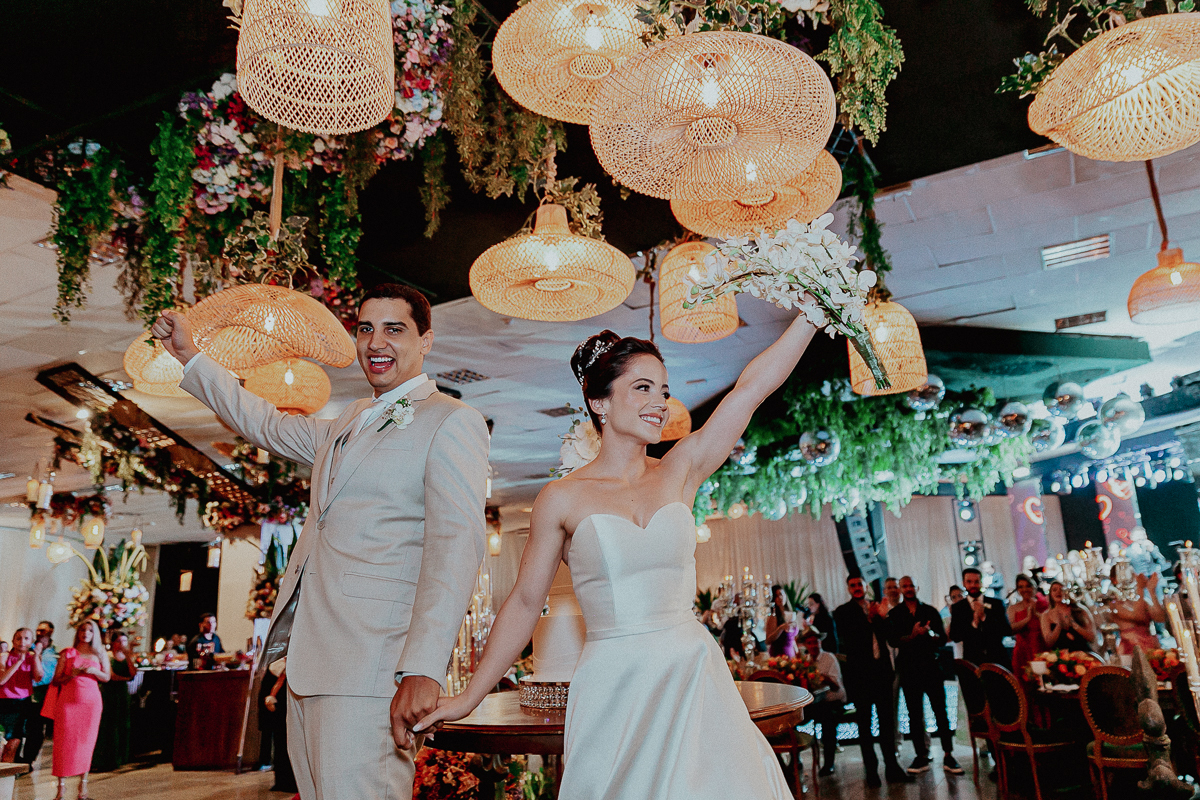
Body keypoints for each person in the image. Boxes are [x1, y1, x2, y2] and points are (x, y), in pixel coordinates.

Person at [413, 318, 823, 800]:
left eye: (664, 390)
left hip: (692, 673)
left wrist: (813, 314)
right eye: (643, 387)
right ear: (600, 401)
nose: (660, 402)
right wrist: (467, 697)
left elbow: (751, 389)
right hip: (614, 684)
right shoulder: (561, 499)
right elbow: (524, 603)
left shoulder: (681, 468)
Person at [153, 283, 489, 800]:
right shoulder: (348, 421)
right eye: (365, 329)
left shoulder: (450, 421)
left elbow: (455, 549)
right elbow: (262, 421)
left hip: (374, 668)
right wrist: (190, 357)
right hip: (310, 666)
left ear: (427, 341)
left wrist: (423, 669)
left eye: (394, 329)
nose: (376, 341)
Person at [833, 575, 913, 787]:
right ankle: (871, 770)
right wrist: (868, 620)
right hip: (860, 677)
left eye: (860, 584)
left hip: (882, 674)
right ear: (848, 588)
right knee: (865, 726)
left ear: (866, 586)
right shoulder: (843, 612)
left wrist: (884, 617)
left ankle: (892, 767)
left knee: (887, 724)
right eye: (853, 585)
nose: (857, 588)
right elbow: (846, 641)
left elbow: (893, 639)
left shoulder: (878, 607)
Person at [887, 577, 962, 776]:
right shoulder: (895, 614)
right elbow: (893, 641)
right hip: (909, 669)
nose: (909, 589)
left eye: (911, 585)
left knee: (940, 711)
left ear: (916, 587)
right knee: (914, 714)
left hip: (931, 666)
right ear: (900, 590)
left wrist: (929, 634)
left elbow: (943, 639)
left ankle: (948, 754)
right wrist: (911, 635)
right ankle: (921, 755)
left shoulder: (929, 611)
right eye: (905, 586)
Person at [47, 620, 109, 800]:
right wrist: (70, 674)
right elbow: (56, 679)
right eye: (82, 629)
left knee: (86, 743)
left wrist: (93, 671)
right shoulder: (68, 653)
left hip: (91, 703)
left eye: (90, 630)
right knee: (63, 742)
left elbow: (106, 676)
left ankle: (83, 787)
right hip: (68, 702)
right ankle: (61, 787)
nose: (85, 633)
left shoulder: (99, 653)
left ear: (94, 633)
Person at [799, 629, 844, 777]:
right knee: (795, 717)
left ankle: (829, 763)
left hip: (833, 701)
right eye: (810, 643)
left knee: (827, 719)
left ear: (820, 642)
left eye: (815, 642)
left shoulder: (829, 658)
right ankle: (795, 759)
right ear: (806, 644)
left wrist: (824, 678)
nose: (813, 646)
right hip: (815, 703)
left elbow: (836, 687)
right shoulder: (804, 661)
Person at [950, 568, 1012, 668]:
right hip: (973, 661)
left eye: (976, 582)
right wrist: (974, 623)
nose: (973, 585)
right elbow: (955, 636)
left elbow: (1006, 630)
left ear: (981, 582)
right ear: (964, 583)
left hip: (997, 658)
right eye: (969, 582)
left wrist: (984, 617)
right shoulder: (958, 608)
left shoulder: (996, 604)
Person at [90, 631, 133, 772]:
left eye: (125, 641)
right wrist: (126, 679)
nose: (122, 644)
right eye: (119, 641)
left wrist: (128, 656)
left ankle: (119, 757)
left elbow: (133, 673)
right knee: (108, 725)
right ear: (113, 643)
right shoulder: (108, 656)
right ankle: (103, 758)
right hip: (109, 693)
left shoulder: (126, 657)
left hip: (122, 693)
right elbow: (112, 676)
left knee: (121, 723)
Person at [0, 628, 45, 762]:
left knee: (14, 742)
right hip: (5, 702)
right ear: (13, 640)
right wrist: (18, 662)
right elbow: (2, 679)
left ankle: (7, 777)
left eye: (26, 639)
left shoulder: (32, 658)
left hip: (23, 703)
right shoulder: (5, 656)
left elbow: (38, 677)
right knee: (3, 741)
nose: (21, 642)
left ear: (31, 642)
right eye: (18, 638)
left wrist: (36, 656)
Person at [19, 621, 57, 766]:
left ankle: (28, 760)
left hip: (44, 694)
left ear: (51, 631)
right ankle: (16, 759)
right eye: (38, 630)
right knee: (21, 727)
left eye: (43, 630)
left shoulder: (56, 652)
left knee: (36, 729)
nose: (40, 633)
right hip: (25, 691)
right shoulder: (28, 647)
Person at [1112, 572, 1166, 654]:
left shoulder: (1143, 601)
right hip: (1131, 650)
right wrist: (1140, 589)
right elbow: (1138, 616)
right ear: (1115, 580)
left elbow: (1160, 618)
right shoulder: (1115, 604)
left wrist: (1151, 591)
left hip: (1151, 648)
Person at [1007, 574, 1047, 676]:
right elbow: (1010, 629)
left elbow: (1050, 625)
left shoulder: (1044, 604)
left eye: (1028, 586)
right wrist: (1027, 618)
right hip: (1022, 653)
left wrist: (1037, 614)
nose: (1025, 589)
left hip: (1043, 649)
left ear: (1034, 587)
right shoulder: (1013, 608)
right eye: (1021, 587)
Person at [1040, 581, 1096, 651]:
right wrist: (1059, 625)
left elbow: (1092, 638)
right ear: (1050, 594)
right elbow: (1049, 642)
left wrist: (1074, 625)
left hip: (1083, 653)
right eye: (1054, 590)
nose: (1058, 592)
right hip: (1060, 657)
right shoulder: (1046, 615)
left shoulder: (1080, 610)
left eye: (1061, 589)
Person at [765, 585, 798, 657]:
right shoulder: (774, 617)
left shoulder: (790, 614)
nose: (780, 598)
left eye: (781, 594)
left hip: (791, 654)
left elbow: (792, 639)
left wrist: (797, 651)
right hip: (779, 656)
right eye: (776, 596)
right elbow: (768, 640)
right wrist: (781, 628)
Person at [942, 586, 964, 659]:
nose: (958, 599)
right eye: (954, 597)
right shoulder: (948, 617)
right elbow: (947, 637)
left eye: (960, 596)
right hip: (958, 652)